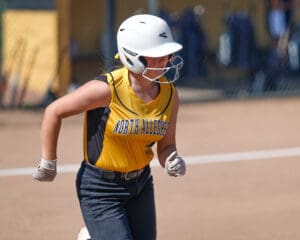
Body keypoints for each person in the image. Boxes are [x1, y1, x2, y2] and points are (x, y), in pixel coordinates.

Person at [33, 14, 186, 240]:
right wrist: (49, 161)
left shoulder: (169, 95)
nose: (166, 60)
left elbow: (166, 146)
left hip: (141, 185)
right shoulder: (107, 89)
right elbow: (54, 111)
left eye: (167, 54)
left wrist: (171, 158)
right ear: (134, 57)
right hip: (101, 188)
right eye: (157, 55)